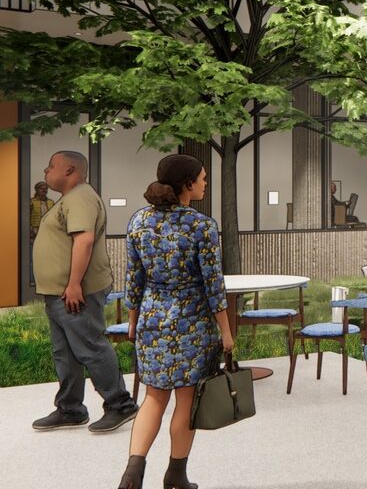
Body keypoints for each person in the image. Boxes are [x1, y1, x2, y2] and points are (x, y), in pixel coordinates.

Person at [118, 154, 234, 489]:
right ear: (187, 184)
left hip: (152, 319)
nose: (205, 183)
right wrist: (226, 331)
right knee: (186, 398)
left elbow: (134, 278)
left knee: (154, 397)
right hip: (191, 321)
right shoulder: (202, 226)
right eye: (202, 178)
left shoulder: (139, 222)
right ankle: (176, 475)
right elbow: (214, 286)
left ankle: (132, 473)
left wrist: (132, 320)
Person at [32, 150, 138, 435]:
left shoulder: (80, 197)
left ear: (69, 170)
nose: (45, 171)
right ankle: (70, 408)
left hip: (75, 292)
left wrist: (74, 283)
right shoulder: (69, 199)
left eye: (51, 166)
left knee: (90, 346)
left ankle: (120, 404)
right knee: (65, 352)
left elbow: (85, 239)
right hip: (60, 293)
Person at [29, 180, 53, 284]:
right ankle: (34, 279)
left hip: (49, 233)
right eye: (41, 188)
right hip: (35, 231)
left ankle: (47, 279)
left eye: (46, 188)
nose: (44, 190)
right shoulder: (31, 202)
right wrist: (30, 229)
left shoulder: (51, 202)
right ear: (37, 190)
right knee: (34, 256)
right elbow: (26, 217)